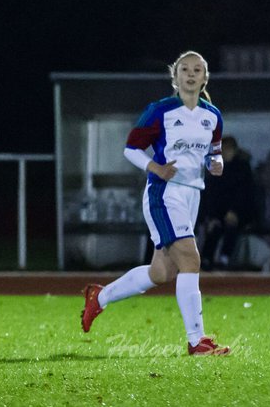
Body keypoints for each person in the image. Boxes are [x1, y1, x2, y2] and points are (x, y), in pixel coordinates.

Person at [80, 51, 231, 356]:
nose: (190, 74)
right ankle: (196, 341)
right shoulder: (160, 111)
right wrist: (155, 167)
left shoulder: (212, 116)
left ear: (205, 78)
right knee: (191, 260)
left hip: (192, 194)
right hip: (164, 193)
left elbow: (213, 152)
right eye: (184, 69)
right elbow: (131, 149)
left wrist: (216, 163)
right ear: (175, 77)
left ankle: (100, 297)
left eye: (197, 70)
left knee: (161, 273)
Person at [198, 135, 256, 268]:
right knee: (215, 227)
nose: (225, 153)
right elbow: (211, 195)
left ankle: (225, 258)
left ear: (235, 150)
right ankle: (206, 258)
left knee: (231, 226)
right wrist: (211, 216)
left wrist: (235, 211)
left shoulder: (243, 168)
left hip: (239, 213)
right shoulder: (216, 169)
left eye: (228, 150)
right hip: (219, 213)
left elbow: (245, 195)